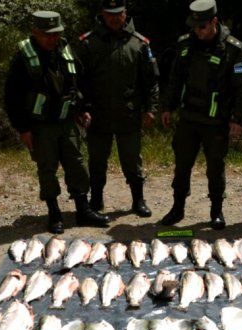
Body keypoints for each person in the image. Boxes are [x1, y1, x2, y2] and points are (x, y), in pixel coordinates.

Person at [4, 11, 110, 233]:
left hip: (67, 121)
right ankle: (54, 213)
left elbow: (80, 82)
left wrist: (84, 109)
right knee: (47, 169)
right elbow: (12, 97)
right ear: (35, 32)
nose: (53, 39)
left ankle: (83, 210)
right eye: (47, 35)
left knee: (77, 165)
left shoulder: (66, 50)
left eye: (56, 33)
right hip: (40, 126)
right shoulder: (23, 58)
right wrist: (23, 128)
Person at [159, 0, 242, 230]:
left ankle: (216, 211)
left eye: (202, 27)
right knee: (182, 164)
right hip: (189, 117)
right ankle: (177, 208)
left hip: (216, 120)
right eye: (194, 27)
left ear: (214, 22)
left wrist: (237, 119)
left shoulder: (233, 48)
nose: (197, 31)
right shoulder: (185, 44)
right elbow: (175, 78)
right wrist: (167, 107)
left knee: (215, 167)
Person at [78, 0, 159, 218]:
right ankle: (96, 199)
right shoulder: (87, 43)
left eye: (119, 13)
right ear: (102, 14)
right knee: (96, 161)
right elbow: (79, 81)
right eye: (110, 14)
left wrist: (150, 109)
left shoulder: (139, 43)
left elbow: (150, 81)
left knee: (132, 161)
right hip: (98, 114)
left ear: (125, 13)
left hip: (128, 114)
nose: (115, 18)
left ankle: (138, 200)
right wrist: (82, 108)